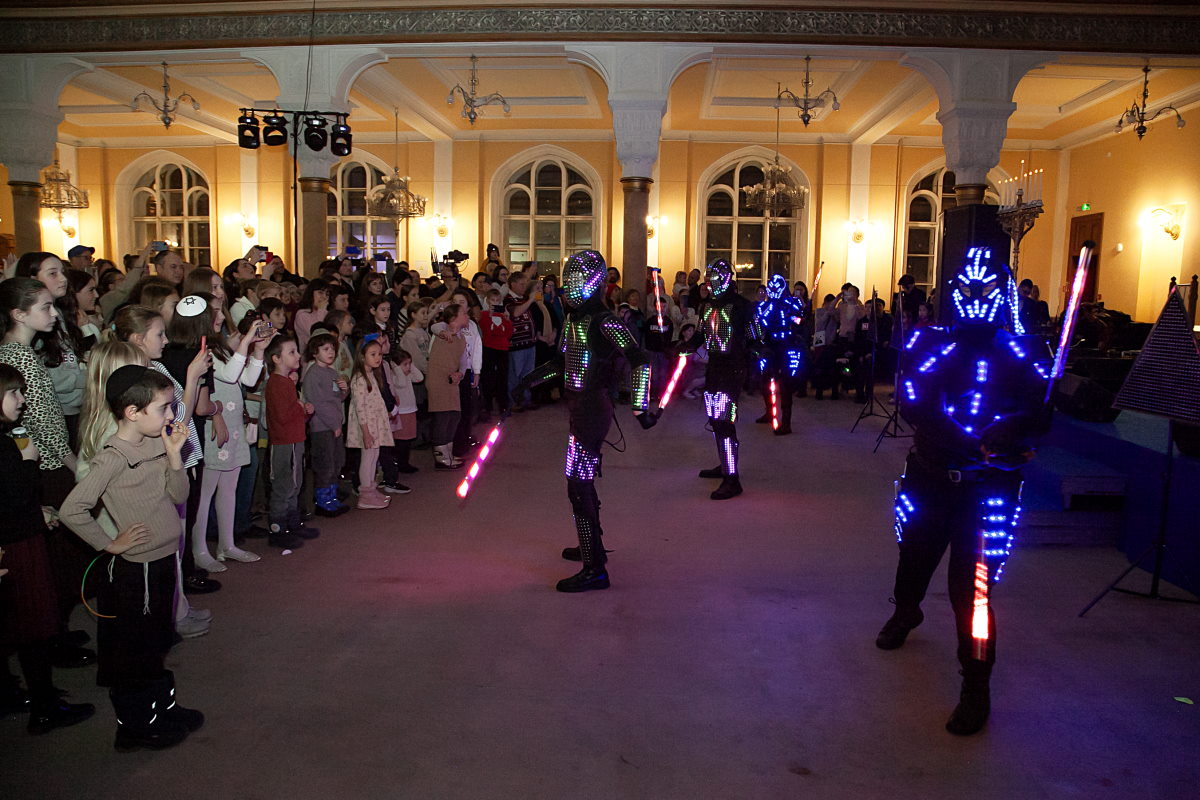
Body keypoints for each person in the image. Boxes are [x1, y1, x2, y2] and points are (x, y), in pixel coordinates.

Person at [877, 246, 1052, 737]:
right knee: (912, 557)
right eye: (966, 289)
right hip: (931, 477)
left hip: (989, 490)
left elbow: (1043, 413)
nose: (976, 297)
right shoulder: (928, 341)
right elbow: (913, 400)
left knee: (972, 592)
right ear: (952, 293)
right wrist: (964, 438)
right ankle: (905, 612)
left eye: (988, 289)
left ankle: (976, 684)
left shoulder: (1024, 350)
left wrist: (1015, 425)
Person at [60, 365, 204, 751]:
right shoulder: (113, 457)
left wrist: (174, 456)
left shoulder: (158, 441)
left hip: (162, 561)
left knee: (157, 641)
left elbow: (178, 496)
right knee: (134, 650)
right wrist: (109, 543)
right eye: (163, 408)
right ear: (132, 412)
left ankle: (163, 709)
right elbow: (72, 510)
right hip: (135, 569)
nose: (172, 416)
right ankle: (135, 727)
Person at [513, 250, 657, 593]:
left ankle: (595, 567)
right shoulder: (574, 319)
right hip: (579, 408)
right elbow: (562, 364)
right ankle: (590, 545)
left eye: (579, 280)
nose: (572, 286)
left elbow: (640, 359)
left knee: (578, 484)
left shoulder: (605, 321)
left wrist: (639, 407)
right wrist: (526, 382)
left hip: (594, 410)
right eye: (570, 280)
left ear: (593, 283)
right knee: (580, 482)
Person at [0, 364, 96, 736]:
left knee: (20, 622)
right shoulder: (7, 445)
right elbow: (14, 494)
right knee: (32, 624)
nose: (21, 401)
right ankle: (44, 707)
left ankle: (17, 693)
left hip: (17, 532)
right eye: (13, 393)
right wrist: (29, 464)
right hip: (19, 543)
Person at [188, 302, 271, 573]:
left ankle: (227, 544)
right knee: (205, 493)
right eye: (216, 313)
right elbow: (231, 373)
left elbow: (246, 379)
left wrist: (257, 350)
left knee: (229, 488)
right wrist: (246, 342)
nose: (222, 317)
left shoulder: (221, 346)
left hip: (233, 424)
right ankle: (199, 548)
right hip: (214, 426)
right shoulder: (204, 349)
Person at [680, 259, 755, 500]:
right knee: (715, 420)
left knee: (724, 422)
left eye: (715, 277)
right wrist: (685, 347)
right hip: (714, 367)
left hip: (732, 369)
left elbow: (755, 336)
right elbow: (701, 333)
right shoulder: (707, 306)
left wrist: (758, 359)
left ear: (726, 278)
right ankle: (725, 465)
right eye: (709, 278)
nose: (711, 282)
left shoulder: (742, 306)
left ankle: (732, 479)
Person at [264, 336, 320, 549]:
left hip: (295, 440)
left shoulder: (287, 382)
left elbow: (294, 414)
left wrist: (304, 411)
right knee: (283, 485)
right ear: (277, 358)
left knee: (295, 483)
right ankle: (278, 528)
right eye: (292, 352)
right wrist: (300, 407)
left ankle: (293, 522)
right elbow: (282, 415)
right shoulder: (277, 383)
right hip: (284, 443)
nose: (297, 356)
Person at [303, 332, 350, 517]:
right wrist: (334, 424)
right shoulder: (313, 374)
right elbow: (318, 403)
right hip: (323, 427)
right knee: (325, 464)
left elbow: (336, 398)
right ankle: (323, 502)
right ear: (315, 352)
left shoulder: (332, 372)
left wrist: (344, 391)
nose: (331, 353)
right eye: (325, 349)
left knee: (336, 461)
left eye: (332, 349)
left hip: (334, 425)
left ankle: (332, 497)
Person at [753, 274, 806, 435]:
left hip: (786, 346)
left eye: (777, 285)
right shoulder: (765, 306)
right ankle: (769, 412)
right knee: (764, 380)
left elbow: (801, 319)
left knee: (785, 385)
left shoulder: (791, 303)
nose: (773, 287)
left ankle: (786, 422)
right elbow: (761, 323)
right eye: (771, 285)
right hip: (770, 346)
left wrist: (796, 317)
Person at [347, 335, 394, 507]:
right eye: (373, 354)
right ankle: (365, 495)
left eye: (379, 354)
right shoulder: (359, 379)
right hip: (367, 427)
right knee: (367, 459)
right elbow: (360, 408)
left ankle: (371, 490)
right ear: (362, 356)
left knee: (374, 457)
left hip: (374, 424)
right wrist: (365, 432)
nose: (378, 358)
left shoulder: (371, 375)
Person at [425, 305, 467, 470]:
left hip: (452, 380)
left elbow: (464, 361)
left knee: (454, 415)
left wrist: (461, 374)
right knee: (442, 415)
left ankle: (448, 452)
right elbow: (435, 327)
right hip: (438, 379)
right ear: (453, 317)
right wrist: (443, 332)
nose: (467, 315)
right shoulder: (442, 330)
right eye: (463, 313)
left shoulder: (461, 337)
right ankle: (441, 456)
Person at [504, 271, 539, 411]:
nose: (524, 287)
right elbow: (516, 313)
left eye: (525, 284)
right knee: (515, 375)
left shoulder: (522, 298)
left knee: (528, 374)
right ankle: (513, 402)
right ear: (513, 284)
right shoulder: (508, 299)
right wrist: (531, 299)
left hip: (529, 343)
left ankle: (526, 399)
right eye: (521, 284)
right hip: (516, 345)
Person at [478, 289, 512, 420]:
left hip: (503, 349)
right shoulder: (484, 315)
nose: (495, 303)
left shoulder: (503, 316)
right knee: (488, 377)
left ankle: (503, 404)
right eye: (493, 300)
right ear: (487, 301)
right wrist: (490, 316)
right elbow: (485, 332)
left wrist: (507, 320)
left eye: (498, 301)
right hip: (489, 348)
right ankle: (488, 406)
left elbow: (508, 334)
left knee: (502, 377)